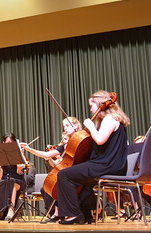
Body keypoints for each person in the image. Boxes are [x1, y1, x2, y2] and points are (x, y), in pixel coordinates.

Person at [55, 90, 130, 224]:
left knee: (64, 175)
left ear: (99, 104)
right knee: (82, 180)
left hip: (107, 165)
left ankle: (73, 214)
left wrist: (90, 125)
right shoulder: (113, 119)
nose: (90, 109)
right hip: (112, 165)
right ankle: (86, 214)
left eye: (91, 106)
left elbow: (100, 140)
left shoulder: (109, 119)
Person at [21, 117, 82, 222]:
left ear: (76, 126)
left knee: (59, 183)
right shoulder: (65, 145)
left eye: (68, 126)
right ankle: (57, 212)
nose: (65, 129)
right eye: (64, 126)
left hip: (79, 171)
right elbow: (46, 155)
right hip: (69, 172)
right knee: (47, 187)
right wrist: (29, 149)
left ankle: (69, 213)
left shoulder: (80, 140)